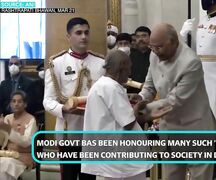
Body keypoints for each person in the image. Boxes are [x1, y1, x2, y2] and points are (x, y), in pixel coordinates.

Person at [131, 23, 216, 180]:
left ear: (173, 41)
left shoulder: (191, 62)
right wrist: (141, 98)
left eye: (159, 47)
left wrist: (143, 112)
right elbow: (150, 85)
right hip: (169, 131)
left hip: (195, 130)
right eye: (153, 47)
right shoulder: (154, 54)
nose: (155, 52)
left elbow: (174, 100)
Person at [180, 0, 216, 179]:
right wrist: (184, 36)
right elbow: (191, 55)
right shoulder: (201, 22)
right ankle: (210, 172)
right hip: (202, 82)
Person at [43, 17, 105, 180]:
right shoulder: (56, 63)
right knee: (69, 177)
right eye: (78, 33)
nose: (84, 36)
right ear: (69, 36)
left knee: (89, 177)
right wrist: (63, 108)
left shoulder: (100, 63)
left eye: (86, 32)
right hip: (68, 131)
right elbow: (47, 101)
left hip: (92, 132)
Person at [81, 50, 152, 180]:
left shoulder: (101, 85)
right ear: (121, 69)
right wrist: (138, 107)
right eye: (128, 69)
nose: (130, 73)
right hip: (120, 161)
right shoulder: (112, 87)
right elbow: (129, 122)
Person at [0, 90, 38, 180]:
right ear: (10, 104)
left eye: (19, 101)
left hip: (24, 155)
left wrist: (9, 129)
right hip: (7, 154)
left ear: (25, 104)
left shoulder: (31, 119)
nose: (16, 104)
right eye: (13, 101)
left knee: (6, 164)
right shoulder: (7, 117)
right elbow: (2, 142)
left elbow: (26, 143)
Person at [127, 26, 152, 93]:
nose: (141, 39)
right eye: (138, 37)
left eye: (144, 36)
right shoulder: (128, 56)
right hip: (131, 93)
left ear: (150, 37)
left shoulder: (155, 55)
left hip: (151, 94)